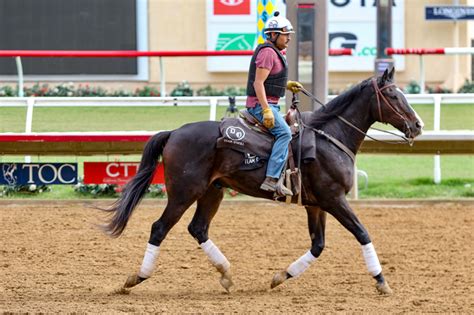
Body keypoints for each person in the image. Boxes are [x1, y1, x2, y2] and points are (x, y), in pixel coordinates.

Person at [246, 11, 303, 196]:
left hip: (271, 105)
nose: (288, 38)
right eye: (285, 34)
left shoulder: (276, 52)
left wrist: (286, 85)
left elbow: (269, 80)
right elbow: (258, 83)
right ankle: (271, 180)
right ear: (273, 35)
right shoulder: (268, 53)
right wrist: (266, 110)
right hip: (261, 106)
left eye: (289, 35)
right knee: (285, 133)